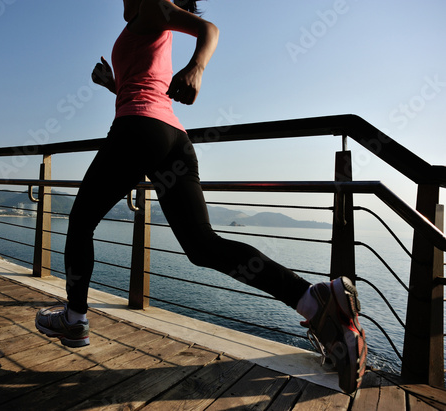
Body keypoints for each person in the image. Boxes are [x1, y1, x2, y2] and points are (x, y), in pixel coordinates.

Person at [35, 0, 367, 393]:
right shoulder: (144, 23)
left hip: (138, 130)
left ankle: (73, 318)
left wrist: (196, 69)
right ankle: (311, 299)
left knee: (81, 220)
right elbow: (141, 87)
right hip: (171, 139)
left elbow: (211, 32)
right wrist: (112, 83)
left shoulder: (153, 6)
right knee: (202, 246)